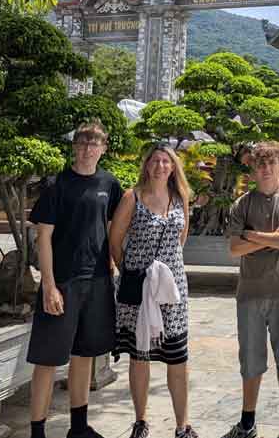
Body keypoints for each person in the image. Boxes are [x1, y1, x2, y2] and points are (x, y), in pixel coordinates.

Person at [27, 119, 123, 438]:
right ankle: (37, 431)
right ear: (74, 147)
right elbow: (43, 237)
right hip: (64, 282)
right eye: (82, 143)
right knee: (48, 358)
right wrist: (49, 285)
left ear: (103, 148)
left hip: (96, 280)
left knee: (84, 354)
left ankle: (78, 428)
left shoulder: (109, 184)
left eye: (93, 143)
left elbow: (117, 227)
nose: (87, 149)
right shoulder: (57, 185)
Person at [109, 145, 195, 438]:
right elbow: (115, 239)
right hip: (139, 286)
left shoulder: (180, 197)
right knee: (139, 353)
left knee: (177, 356)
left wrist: (164, 273)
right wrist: (134, 273)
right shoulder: (132, 197)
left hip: (172, 290)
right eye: (155, 160)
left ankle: (182, 425)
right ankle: (141, 420)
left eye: (166, 161)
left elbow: (181, 239)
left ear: (173, 167)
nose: (160, 166)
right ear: (146, 165)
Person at [222, 141, 279, 438]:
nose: (266, 169)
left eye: (271, 163)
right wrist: (274, 237)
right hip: (250, 292)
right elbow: (234, 249)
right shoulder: (241, 204)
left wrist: (252, 236)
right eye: (260, 164)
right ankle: (248, 422)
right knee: (251, 360)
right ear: (253, 169)